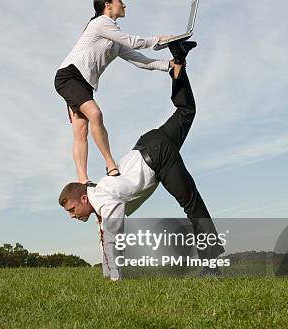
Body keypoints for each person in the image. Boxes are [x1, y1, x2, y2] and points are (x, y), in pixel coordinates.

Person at [58, 41, 224, 279]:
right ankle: (178, 60)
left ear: (83, 198)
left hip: (157, 157)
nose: (73, 215)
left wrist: (113, 279)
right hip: (149, 142)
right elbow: (105, 233)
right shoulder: (98, 199)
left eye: (72, 209)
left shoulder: (104, 200)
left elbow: (113, 239)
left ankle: (211, 267)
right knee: (186, 111)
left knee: (191, 204)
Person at [55, 0, 173, 183]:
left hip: (84, 83)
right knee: (95, 114)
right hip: (69, 76)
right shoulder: (101, 23)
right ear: (108, 5)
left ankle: (82, 181)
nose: (124, 5)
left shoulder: (114, 40)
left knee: (80, 130)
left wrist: (168, 65)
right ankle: (111, 165)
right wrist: (160, 39)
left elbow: (141, 61)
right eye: (120, 1)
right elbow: (132, 42)